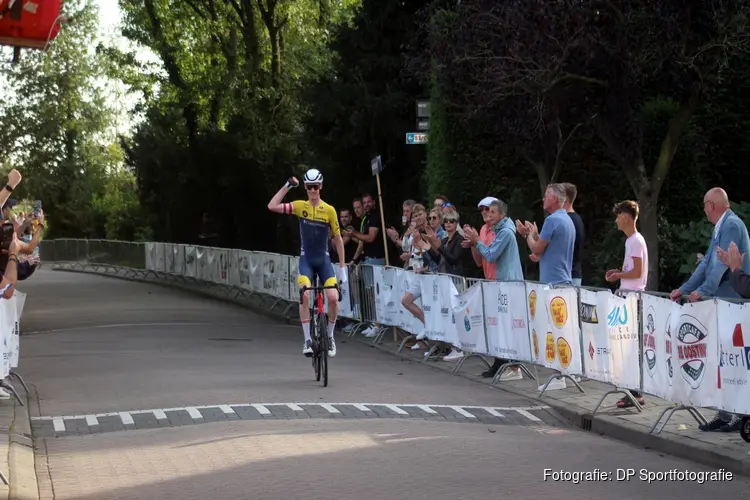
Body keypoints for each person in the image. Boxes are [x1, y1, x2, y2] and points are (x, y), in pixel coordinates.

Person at [267, 168, 347, 358]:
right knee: (304, 295)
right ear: (305, 187)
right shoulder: (299, 206)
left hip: (324, 260)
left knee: (334, 298)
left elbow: (338, 239)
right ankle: (307, 341)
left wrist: (342, 268)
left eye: (316, 187)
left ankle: (329, 337)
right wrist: (288, 185)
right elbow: (272, 206)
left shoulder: (329, 210)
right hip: (307, 261)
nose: (313, 191)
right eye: (309, 187)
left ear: (321, 186)